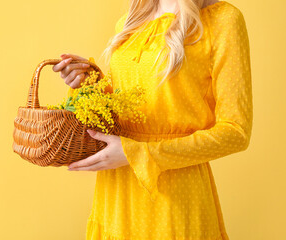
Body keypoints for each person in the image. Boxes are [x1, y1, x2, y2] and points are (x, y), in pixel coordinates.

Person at [52, 0, 252, 239]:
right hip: (117, 189)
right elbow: (126, 105)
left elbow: (236, 132)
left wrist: (141, 154)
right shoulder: (129, 22)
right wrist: (89, 82)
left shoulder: (224, 20)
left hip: (173, 197)